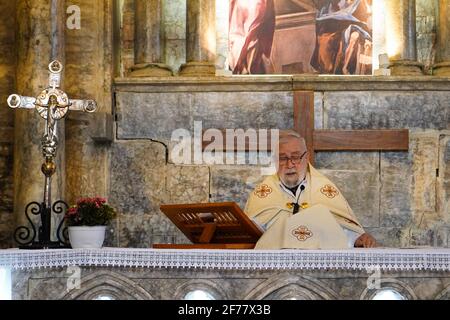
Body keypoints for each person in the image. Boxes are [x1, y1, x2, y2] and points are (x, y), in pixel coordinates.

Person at [244, 130, 376, 249]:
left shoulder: (324, 190)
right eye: (283, 158)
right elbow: (251, 234)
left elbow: (338, 227)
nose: (290, 165)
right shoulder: (263, 194)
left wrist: (355, 239)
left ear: (306, 158)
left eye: (295, 157)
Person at [310, 0, 373, 75]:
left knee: (333, 39)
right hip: (335, 27)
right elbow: (325, 15)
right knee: (325, 39)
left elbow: (363, 18)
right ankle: (328, 68)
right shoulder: (329, 6)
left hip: (351, 26)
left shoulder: (360, 3)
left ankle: (337, 69)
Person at [228, 0, 276, 74]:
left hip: (254, 51)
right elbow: (234, 33)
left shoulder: (261, 3)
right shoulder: (238, 4)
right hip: (242, 49)